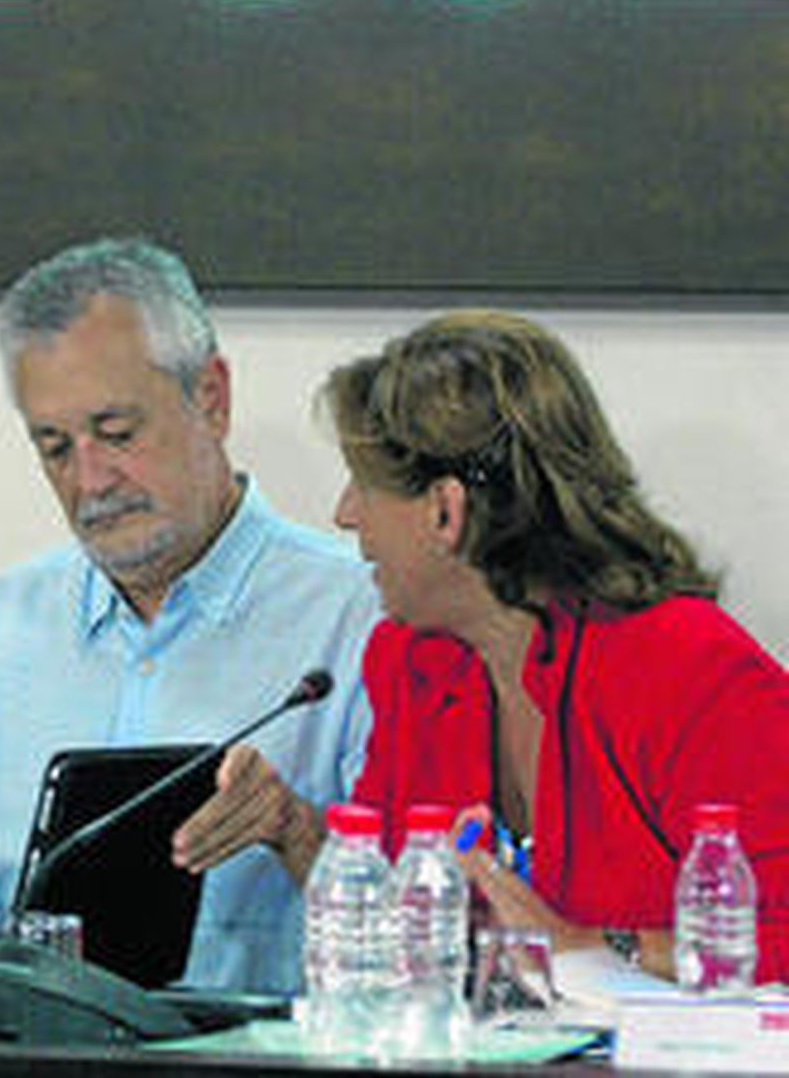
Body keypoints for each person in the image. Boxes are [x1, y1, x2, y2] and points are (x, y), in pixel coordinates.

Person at [0, 238, 381, 994]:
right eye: (54, 447)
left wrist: (296, 831)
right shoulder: (2, 628)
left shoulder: (358, 618)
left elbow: (423, 934)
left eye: (116, 432)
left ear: (212, 396)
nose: (90, 481)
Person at [319, 309, 789, 980]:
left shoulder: (689, 666)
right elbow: (389, 922)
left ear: (446, 510)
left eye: (363, 485)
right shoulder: (412, 663)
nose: (345, 515)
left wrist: (597, 949)